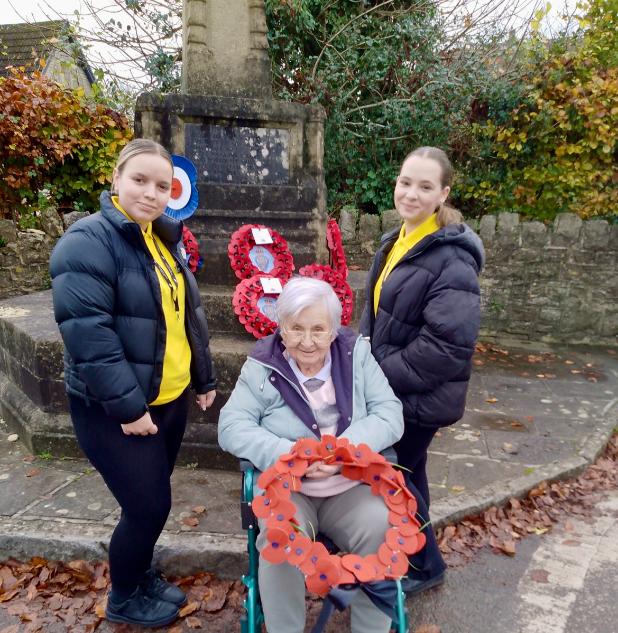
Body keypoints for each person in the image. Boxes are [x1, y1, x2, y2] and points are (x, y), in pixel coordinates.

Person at [49, 139, 217, 628]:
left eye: (162, 185)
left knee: (151, 500)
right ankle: (124, 595)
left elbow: (187, 316)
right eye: (140, 180)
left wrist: (202, 378)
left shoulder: (162, 239)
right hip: (116, 409)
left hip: (167, 400)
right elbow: (89, 335)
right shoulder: (87, 241)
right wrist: (128, 409)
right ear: (116, 180)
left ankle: (140, 574)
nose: (151, 192)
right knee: (148, 506)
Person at [218, 277, 405, 633]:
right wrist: (290, 454)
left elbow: (389, 413)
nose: (307, 341)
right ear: (282, 329)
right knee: (279, 535)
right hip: (289, 488)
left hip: (351, 484)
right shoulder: (263, 365)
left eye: (318, 329)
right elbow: (231, 425)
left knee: (382, 526)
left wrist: (343, 451)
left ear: (334, 329)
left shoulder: (357, 357)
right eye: (296, 329)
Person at [360, 146, 484, 594]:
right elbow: (374, 316)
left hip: (418, 397)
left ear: (443, 193)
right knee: (410, 479)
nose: (410, 193)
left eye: (425, 186)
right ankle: (424, 564)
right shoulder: (395, 241)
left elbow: (446, 347)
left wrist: (377, 372)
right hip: (393, 390)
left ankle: (418, 565)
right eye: (405, 182)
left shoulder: (453, 259)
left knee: (394, 482)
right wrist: (360, 357)